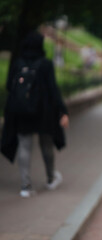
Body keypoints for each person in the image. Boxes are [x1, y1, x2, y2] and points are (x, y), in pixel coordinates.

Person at [1, 31, 69, 197]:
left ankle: (25, 186)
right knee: (46, 144)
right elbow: (53, 89)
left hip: (22, 112)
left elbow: (10, 86)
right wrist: (62, 111)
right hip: (43, 112)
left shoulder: (18, 63)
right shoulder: (45, 64)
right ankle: (51, 178)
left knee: (24, 146)